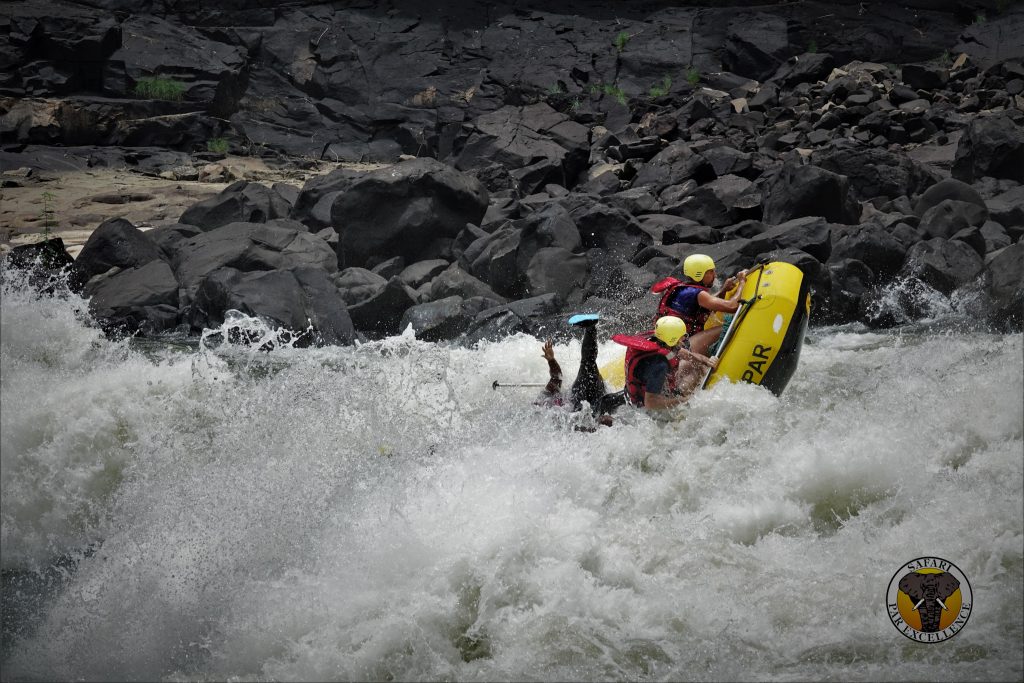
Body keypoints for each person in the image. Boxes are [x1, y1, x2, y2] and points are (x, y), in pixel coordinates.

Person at [650, 254, 748, 357]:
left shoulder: (683, 289)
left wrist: (723, 290)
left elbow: (710, 308)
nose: (715, 275)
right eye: (711, 272)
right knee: (730, 327)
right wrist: (742, 282)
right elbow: (732, 306)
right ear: (699, 274)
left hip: (672, 346)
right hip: (683, 347)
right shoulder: (697, 294)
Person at [612, 316, 718, 410]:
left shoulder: (659, 340)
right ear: (673, 339)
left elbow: (680, 352)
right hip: (644, 409)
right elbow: (650, 403)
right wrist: (684, 400)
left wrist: (705, 360)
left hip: (636, 392)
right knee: (694, 374)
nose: (685, 338)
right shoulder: (659, 366)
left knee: (695, 366)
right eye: (683, 336)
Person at [537, 314, 624, 426]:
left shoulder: (547, 399)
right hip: (600, 403)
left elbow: (556, 378)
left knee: (588, 364)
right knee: (606, 405)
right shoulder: (553, 415)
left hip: (580, 393)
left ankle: (590, 328)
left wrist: (551, 361)